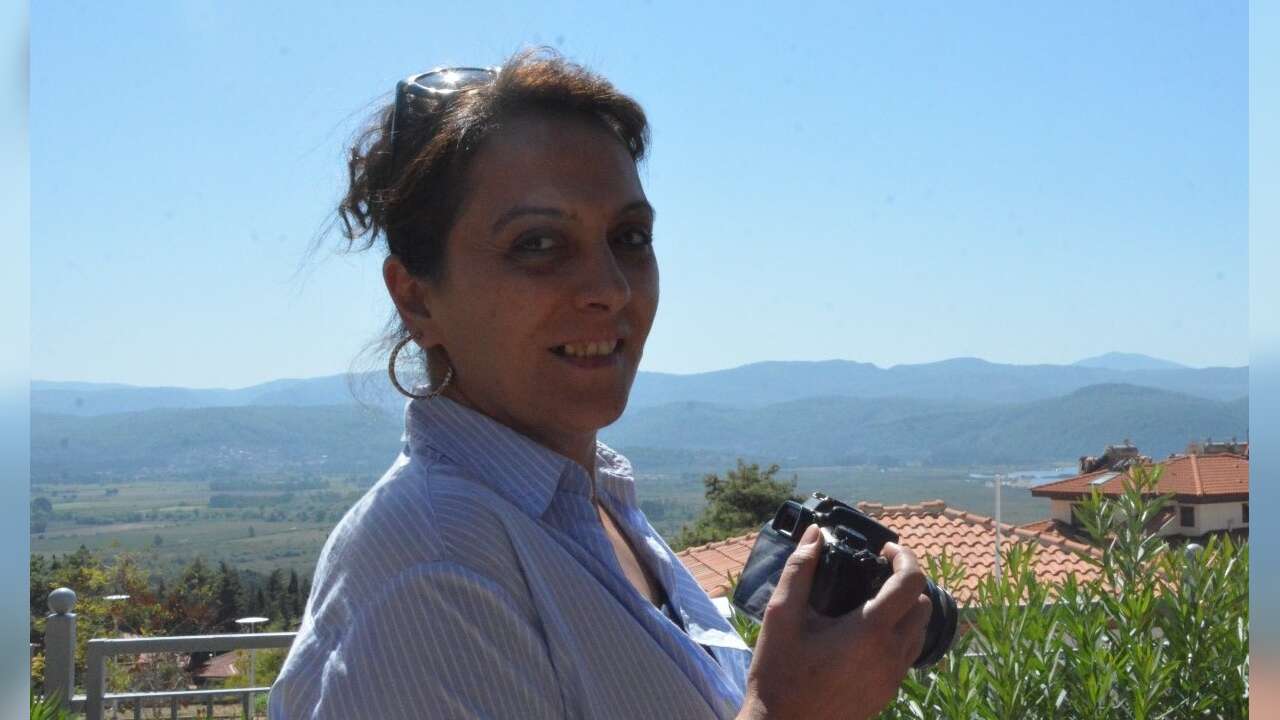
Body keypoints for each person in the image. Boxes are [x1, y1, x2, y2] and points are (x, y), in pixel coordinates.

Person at [269, 50, 933, 720]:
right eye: (537, 243)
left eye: (629, 236)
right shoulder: (435, 564)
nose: (610, 288)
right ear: (416, 298)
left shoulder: (592, 502)